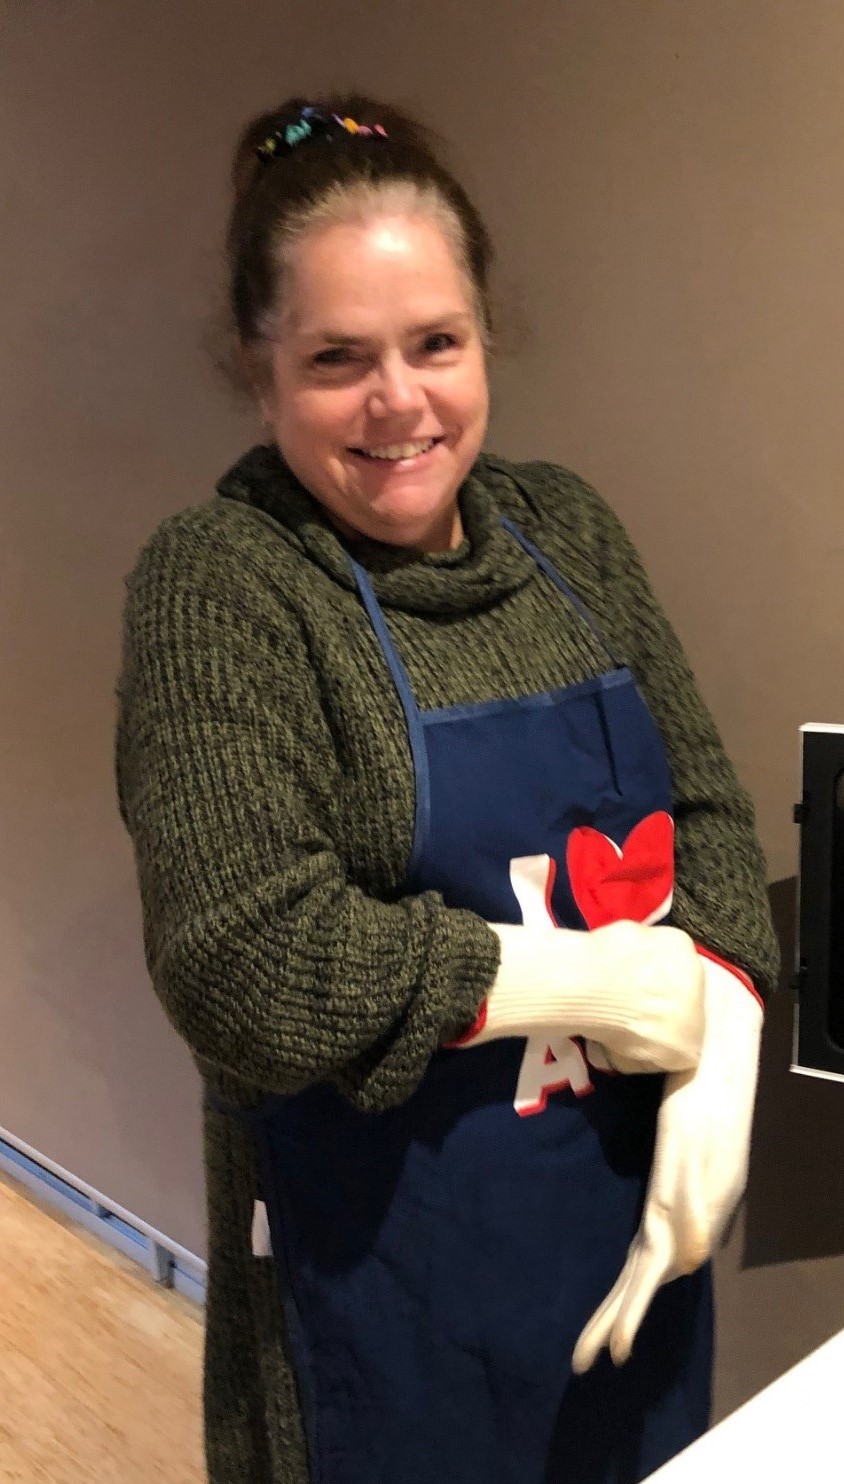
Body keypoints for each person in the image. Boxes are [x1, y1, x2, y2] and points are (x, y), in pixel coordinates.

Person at [115, 92, 779, 1484]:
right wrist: (592, 984)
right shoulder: (225, 582)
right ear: (256, 367)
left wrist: (719, 1043)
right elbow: (241, 959)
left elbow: (710, 818)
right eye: (336, 357)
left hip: (620, 1238)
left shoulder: (567, 530)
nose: (399, 401)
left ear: (486, 338)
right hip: (378, 1285)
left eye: (436, 344)